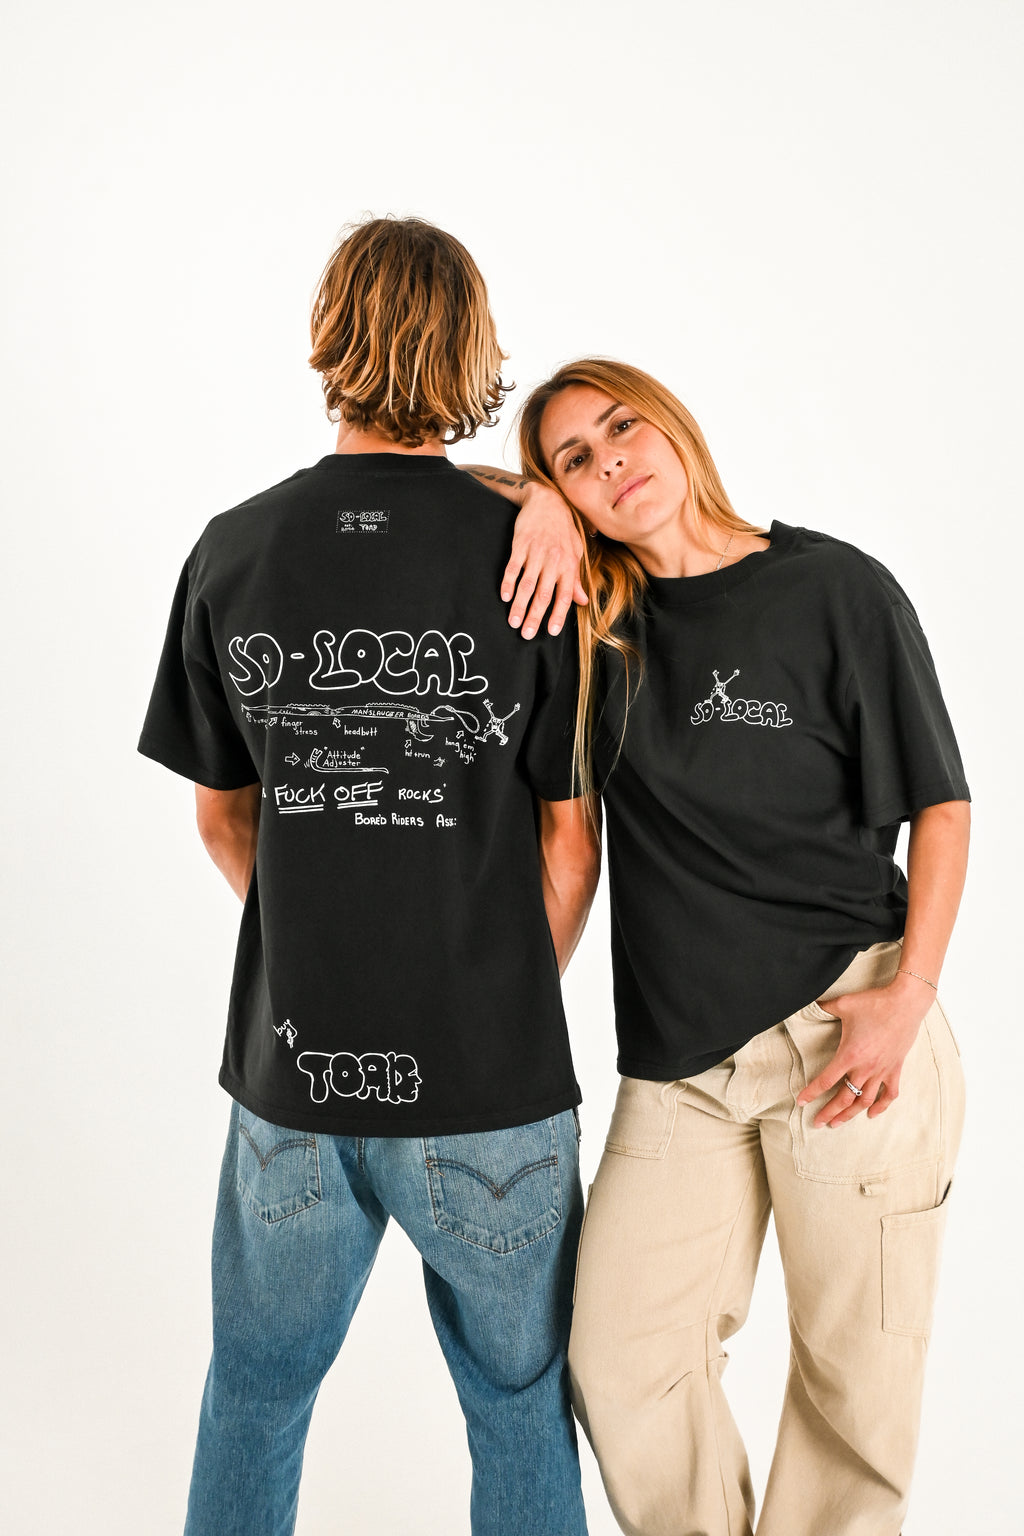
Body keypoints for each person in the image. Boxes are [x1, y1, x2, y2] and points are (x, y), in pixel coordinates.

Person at [137, 217, 600, 1536]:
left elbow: (224, 817)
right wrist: (489, 985)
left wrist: (319, 939)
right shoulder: (535, 561)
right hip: (491, 1085)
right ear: (469, 347)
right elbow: (571, 844)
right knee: (516, 1409)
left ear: (332, 339)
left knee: (255, 1396)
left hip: (297, 1074)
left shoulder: (235, 550)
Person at [502, 356, 969, 1536]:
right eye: (574, 459)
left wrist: (910, 993)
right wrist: (536, 505)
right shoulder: (594, 629)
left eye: (621, 428)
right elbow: (437, 488)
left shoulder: (834, 589)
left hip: (850, 1032)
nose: (611, 461)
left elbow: (941, 807)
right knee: (620, 1362)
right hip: (682, 1074)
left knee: (853, 1391)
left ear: (673, 423)